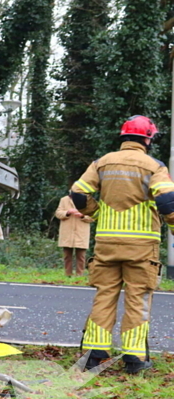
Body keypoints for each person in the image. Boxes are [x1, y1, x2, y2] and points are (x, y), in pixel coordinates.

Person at [70, 115, 174, 374]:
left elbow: (78, 193)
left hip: (106, 244)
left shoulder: (102, 163)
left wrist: (98, 213)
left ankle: (95, 354)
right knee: (138, 299)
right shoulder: (154, 166)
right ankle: (134, 359)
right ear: (148, 139)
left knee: (104, 295)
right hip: (141, 247)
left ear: (123, 136)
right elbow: (167, 203)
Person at [54, 193, 92, 276]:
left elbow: (93, 216)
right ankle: (68, 274)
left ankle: (80, 274)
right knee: (67, 256)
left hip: (81, 232)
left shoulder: (88, 201)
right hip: (67, 232)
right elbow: (58, 213)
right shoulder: (64, 200)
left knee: (81, 256)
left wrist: (83, 215)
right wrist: (67, 212)